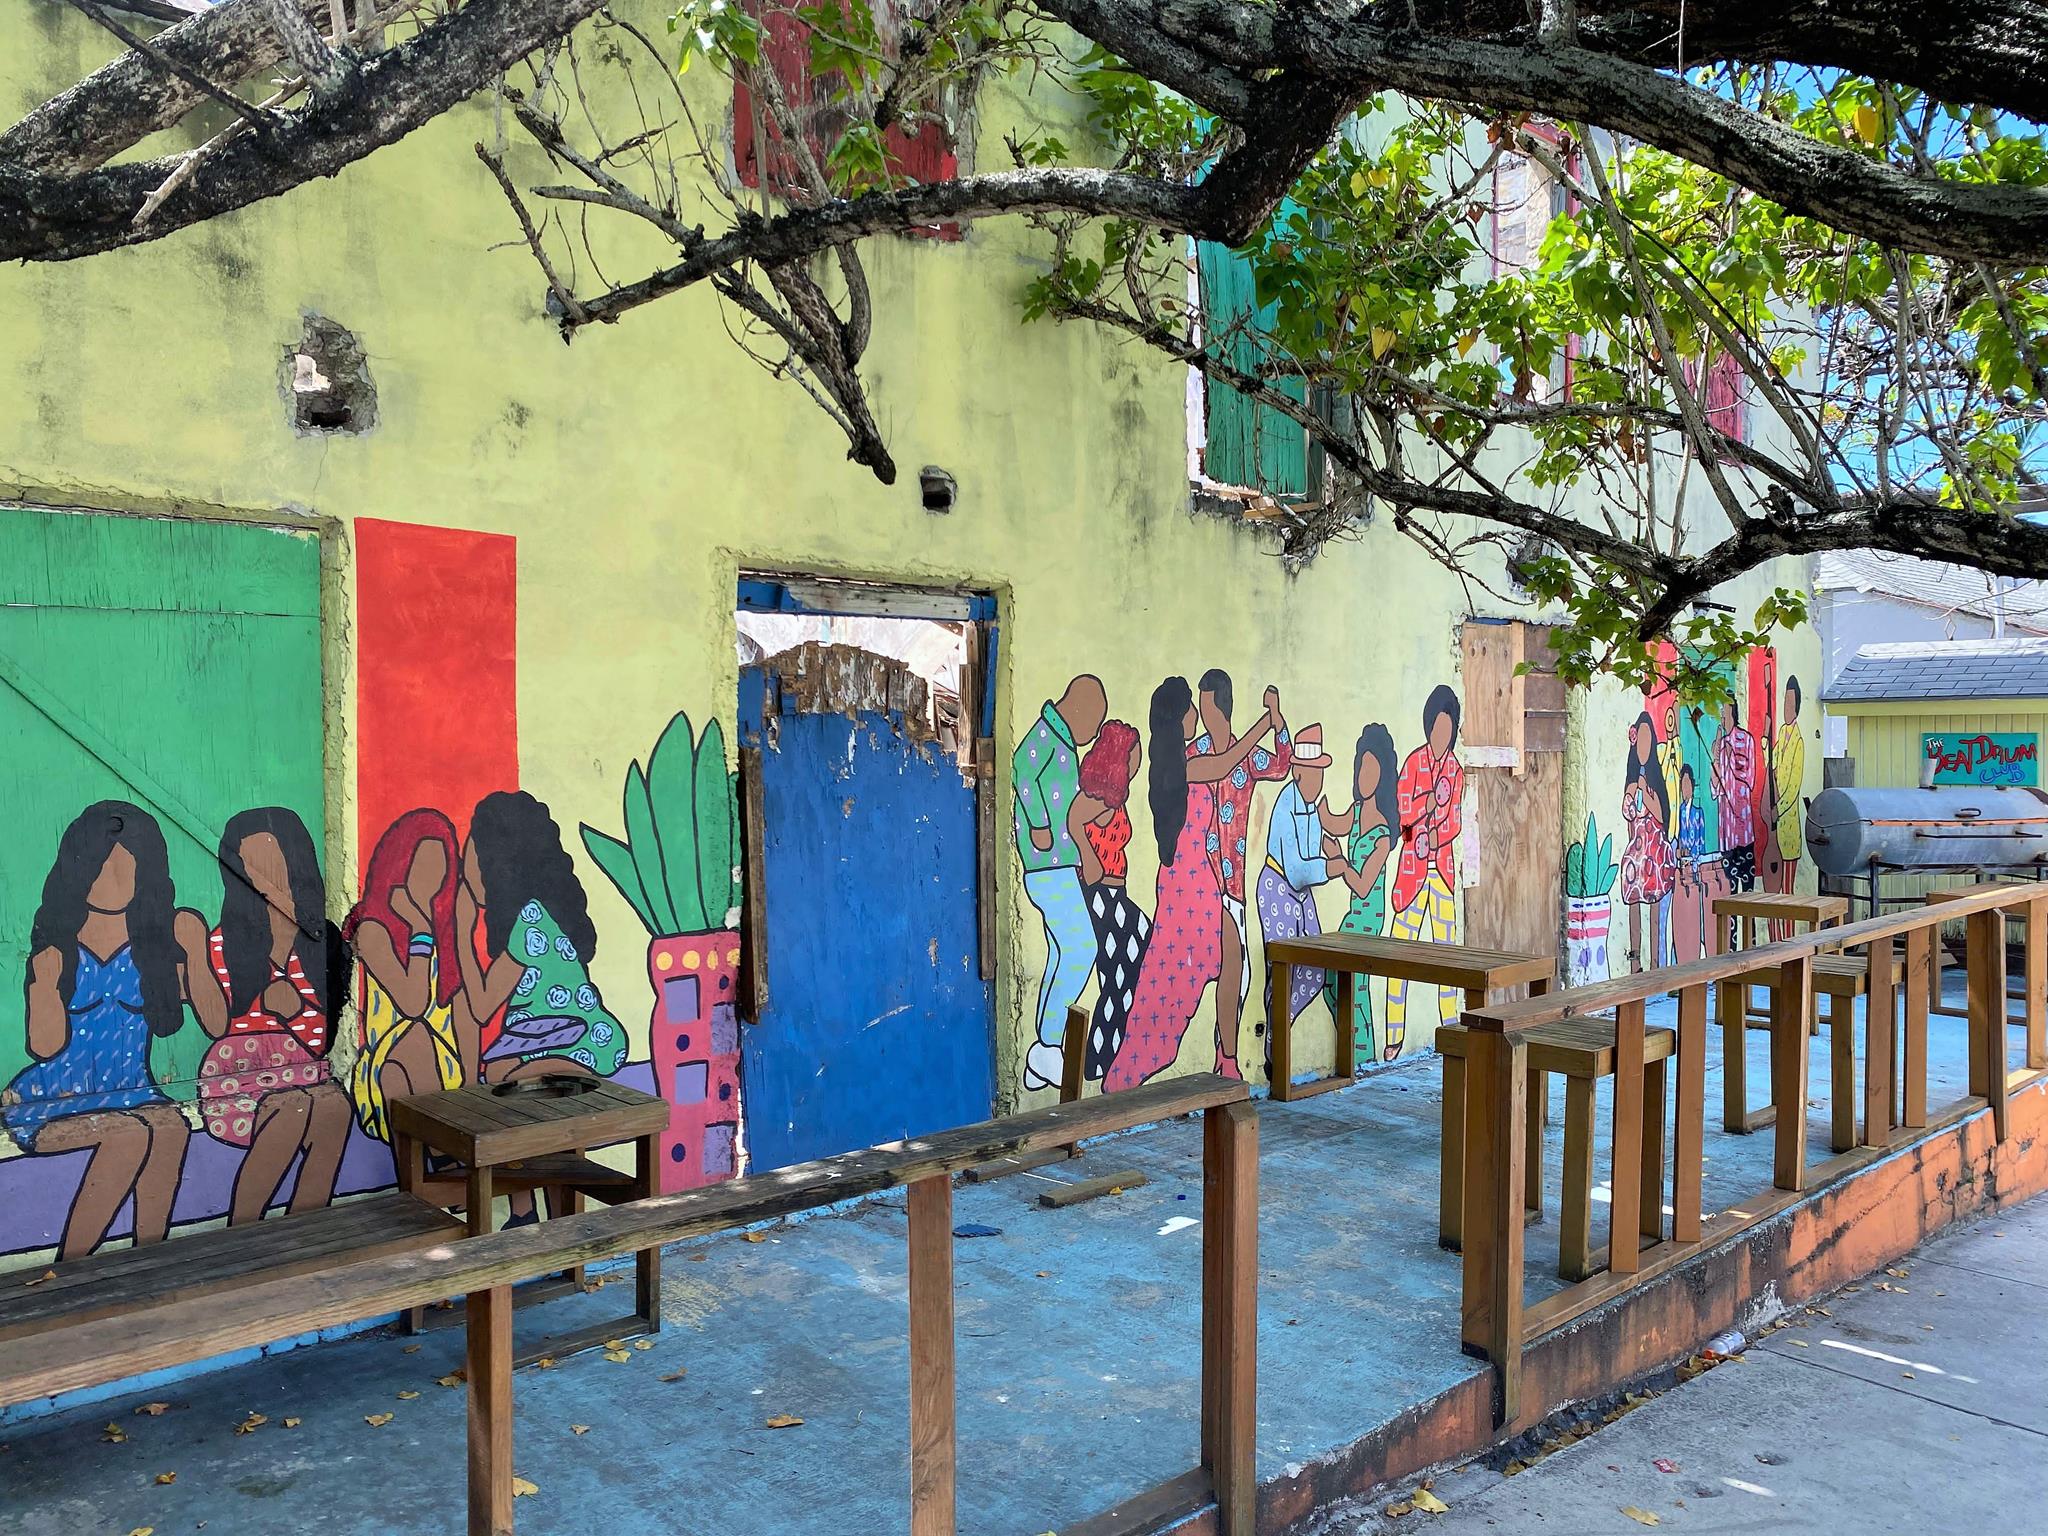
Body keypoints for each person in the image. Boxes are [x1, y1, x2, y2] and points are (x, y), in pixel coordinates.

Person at [2, 802, 192, 1260]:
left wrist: (196, 954)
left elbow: (178, 1022)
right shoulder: (56, 952)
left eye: (126, 868)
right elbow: (44, 1046)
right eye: (100, 866)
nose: (112, 880)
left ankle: (151, 1257)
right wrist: (46, 987)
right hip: (54, 1098)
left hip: (133, 1090)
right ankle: (73, 1265)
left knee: (172, 1127)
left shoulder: (152, 953)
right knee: (128, 1135)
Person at [459, 790, 625, 1226]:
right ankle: (532, 1211)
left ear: (495, 861)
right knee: (512, 1085)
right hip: (558, 1033)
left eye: (470, 853)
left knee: (502, 1082)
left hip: (580, 1039)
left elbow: (481, 1005)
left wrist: (460, 928)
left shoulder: (529, 920)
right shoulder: (541, 915)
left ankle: (528, 1211)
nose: (464, 867)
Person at [1105, 678, 1279, 1090]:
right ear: (1178, 716)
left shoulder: (1180, 761)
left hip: (1201, 879)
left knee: (1230, 957)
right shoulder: (1185, 765)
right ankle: (1130, 1074)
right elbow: (1226, 763)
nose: (1197, 715)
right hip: (1188, 883)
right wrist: (1266, 722)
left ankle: (1227, 1059)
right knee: (1173, 977)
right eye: (1191, 708)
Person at [183, 806, 352, 1225]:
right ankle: (245, 1229)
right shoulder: (224, 943)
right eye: (251, 868)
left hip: (304, 1072)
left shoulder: (323, 943)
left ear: (298, 865)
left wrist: (297, 1011)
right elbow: (215, 1024)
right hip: (235, 1083)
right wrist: (194, 955)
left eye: (275, 865)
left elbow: (326, 1039)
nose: (265, 880)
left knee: (333, 1107)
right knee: (291, 1107)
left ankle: (307, 1228)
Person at [345, 808, 475, 1143]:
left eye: (440, 867)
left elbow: (460, 1008)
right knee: (415, 1036)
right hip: (389, 1060)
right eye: (422, 866)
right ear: (399, 865)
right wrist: (419, 927)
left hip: (444, 1061)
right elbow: (413, 1005)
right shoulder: (374, 930)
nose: (430, 879)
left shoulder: (444, 931)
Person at [1190, 670, 1291, 1074]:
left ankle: (1223, 1050)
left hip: (1234, 886)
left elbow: (1282, 766)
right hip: (1201, 884)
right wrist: (1266, 721)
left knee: (1242, 974)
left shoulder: (1247, 758)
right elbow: (1218, 766)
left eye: (1208, 706)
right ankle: (1226, 1057)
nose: (1204, 714)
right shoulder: (1196, 754)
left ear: (1222, 707)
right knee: (1224, 969)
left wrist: (1279, 724)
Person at [1013, 675, 1107, 1090]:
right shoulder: (1046, 735)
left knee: (1060, 952)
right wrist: (1038, 825)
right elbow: (1022, 770)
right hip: (1047, 863)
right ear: (1079, 709)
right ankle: (1049, 1044)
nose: (1094, 733)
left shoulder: (1063, 742)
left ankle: (1041, 1054)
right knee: (1083, 948)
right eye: (1095, 723)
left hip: (1058, 864)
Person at [1066, 720, 1150, 1081]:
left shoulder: (1114, 797)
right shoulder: (1097, 797)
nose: (1137, 765)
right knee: (1118, 974)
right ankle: (1098, 1059)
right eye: (1133, 758)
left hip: (1115, 894)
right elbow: (1073, 819)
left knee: (1126, 965)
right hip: (1102, 895)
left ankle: (1105, 1056)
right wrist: (1091, 862)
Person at [1255, 723, 1341, 1076]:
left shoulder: (1311, 806)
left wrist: (1331, 854)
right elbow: (1295, 869)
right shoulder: (1286, 804)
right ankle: (1275, 1050)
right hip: (1277, 886)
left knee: (1315, 971)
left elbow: (1318, 847)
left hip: (1301, 895)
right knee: (1283, 970)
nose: (1318, 781)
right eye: (1313, 772)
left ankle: (1279, 1030)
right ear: (1298, 772)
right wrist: (1332, 866)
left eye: (1321, 772)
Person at [1386, 686, 1464, 1055]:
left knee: (1447, 958)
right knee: (1398, 957)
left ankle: (1450, 1029)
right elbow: (1402, 816)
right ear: (1428, 726)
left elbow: (1455, 821)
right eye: (1437, 728)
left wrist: (1434, 836)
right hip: (1411, 874)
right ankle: (1394, 1036)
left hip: (1442, 874)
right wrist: (1426, 804)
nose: (1441, 736)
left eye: (1448, 730)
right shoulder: (1414, 764)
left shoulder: (1455, 771)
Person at [1321, 724, 1398, 1062]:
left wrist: (1338, 860)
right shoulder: (1355, 812)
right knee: (1337, 981)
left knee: (1355, 985)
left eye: (1372, 770)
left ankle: (1362, 1054)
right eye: (1362, 768)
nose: (1365, 777)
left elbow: (1364, 885)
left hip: (1368, 918)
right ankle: (1358, 1050)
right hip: (1353, 915)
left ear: (1383, 777)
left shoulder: (1383, 833)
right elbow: (1332, 822)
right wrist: (1314, 792)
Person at [1619, 715, 1676, 970]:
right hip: (1637, 851)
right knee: (1633, 901)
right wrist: (1633, 791)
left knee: (1654, 905)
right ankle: (1634, 961)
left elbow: (1662, 814)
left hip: (1655, 852)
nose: (1644, 744)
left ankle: (1654, 961)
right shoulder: (1632, 781)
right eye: (1640, 738)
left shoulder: (1654, 779)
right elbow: (1627, 811)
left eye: (1647, 739)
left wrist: (1645, 789)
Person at [1712, 696, 1760, 893]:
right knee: (1729, 885)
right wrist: (1716, 759)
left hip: (1742, 821)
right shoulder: (1722, 744)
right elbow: (1714, 787)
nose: (1722, 718)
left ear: (1732, 712)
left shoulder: (1745, 739)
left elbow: (1750, 777)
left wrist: (1731, 758)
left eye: (1724, 712)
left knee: (1747, 882)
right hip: (1726, 826)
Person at [1766, 674, 1805, 899]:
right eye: (1785, 703)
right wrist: (1766, 738)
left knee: (1788, 890)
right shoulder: (1782, 732)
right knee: (1777, 887)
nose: (1786, 709)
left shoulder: (1798, 742)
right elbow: (1771, 761)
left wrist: (1778, 809)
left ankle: (1790, 922)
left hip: (1788, 824)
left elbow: (1793, 787)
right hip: (1776, 826)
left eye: (1790, 704)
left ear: (1797, 708)